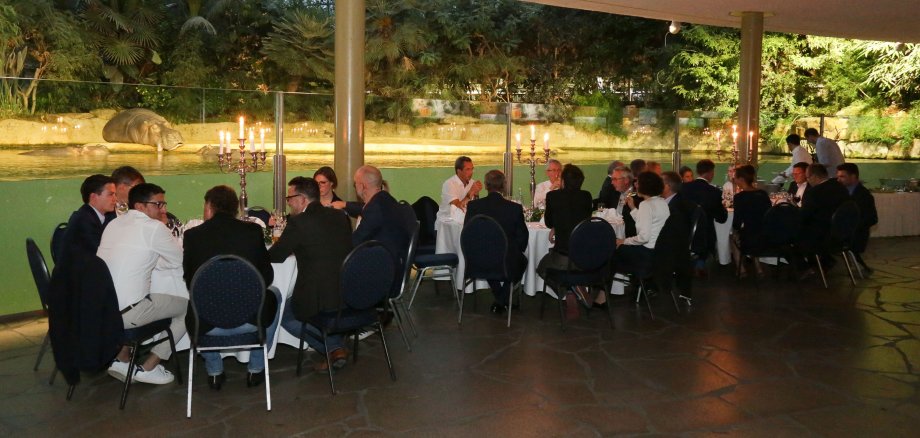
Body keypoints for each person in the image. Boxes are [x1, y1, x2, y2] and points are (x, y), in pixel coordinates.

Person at [182, 185, 279, 390]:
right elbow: (267, 276)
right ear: (235, 208)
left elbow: (191, 281)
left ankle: (214, 371)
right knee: (275, 295)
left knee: (197, 300)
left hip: (207, 323)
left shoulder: (192, 236)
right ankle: (256, 368)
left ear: (209, 206)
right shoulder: (252, 231)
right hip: (251, 319)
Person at [97, 183, 186, 385]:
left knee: (137, 293)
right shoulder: (154, 228)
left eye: (164, 204)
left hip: (102, 310)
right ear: (139, 206)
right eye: (158, 204)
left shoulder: (113, 224)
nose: (163, 209)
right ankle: (148, 367)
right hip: (129, 314)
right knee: (188, 309)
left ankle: (122, 359)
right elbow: (178, 262)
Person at [270, 177, 353, 373]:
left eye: (290, 198)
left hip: (317, 297)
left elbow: (277, 255)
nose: (288, 202)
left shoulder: (299, 222)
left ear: (302, 199)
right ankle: (336, 345)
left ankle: (332, 348)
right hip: (346, 291)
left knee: (283, 313)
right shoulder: (340, 216)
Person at [465, 170, 528, 315]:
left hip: (477, 260)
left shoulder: (474, 207)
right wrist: (516, 251)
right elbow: (522, 238)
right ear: (504, 186)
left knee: (488, 256)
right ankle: (502, 298)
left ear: (486, 186)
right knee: (521, 261)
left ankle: (500, 298)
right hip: (504, 262)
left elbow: (468, 233)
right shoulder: (514, 208)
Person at [537, 164, 594, 304]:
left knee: (541, 267)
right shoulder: (586, 196)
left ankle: (569, 289)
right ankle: (574, 287)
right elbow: (583, 220)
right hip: (585, 255)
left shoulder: (553, 196)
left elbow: (549, 222)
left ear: (562, 181)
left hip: (563, 256)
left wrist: (556, 226)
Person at [351, 165, 413, 290]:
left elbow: (356, 241)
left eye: (355, 184)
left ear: (362, 186)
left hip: (384, 273)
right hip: (395, 264)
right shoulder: (387, 200)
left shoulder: (374, 208)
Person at [611, 171, 670, 275]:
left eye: (637, 183)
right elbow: (646, 221)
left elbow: (643, 238)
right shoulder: (662, 202)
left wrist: (623, 241)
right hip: (660, 253)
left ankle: (603, 286)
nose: (635, 185)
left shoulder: (646, 205)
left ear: (644, 186)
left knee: (609, 250)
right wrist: (633, 208)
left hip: (646, 255)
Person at [799, 163, 850, 276]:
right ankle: (825, 261)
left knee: (790, 236)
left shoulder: (815, 192)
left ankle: (805, 268)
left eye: (807, 178)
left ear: (814, 177)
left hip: (822, 236)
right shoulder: (841, 188)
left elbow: (804, 215)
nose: (807, 181)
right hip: (842, 233)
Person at [680, 159, 728, 276]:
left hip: (683, 231)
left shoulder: (683, 188)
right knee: (709, 228)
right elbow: (721, 218)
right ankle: (701, 263)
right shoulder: (714, 192)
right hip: (705, 235)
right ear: (711, 173)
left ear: (697, 172)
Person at [59, 174, 117, 266]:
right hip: (76, 277)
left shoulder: (106, 216)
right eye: (110, 194)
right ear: (94, 197)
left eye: (115, 194)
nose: (115, 199)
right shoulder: (82, 220)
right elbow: (101, 253)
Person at [729, 165, 772, 278]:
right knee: (753, 231)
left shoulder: (740, 197)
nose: (735, 180)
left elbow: (737, 222)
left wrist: (735, 232)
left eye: (736, 178)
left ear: (741, 179)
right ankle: (758, 268)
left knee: (733, 237)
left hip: (751, 240)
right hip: (767, 237)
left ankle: (741, 270)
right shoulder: (763, 194)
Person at [836, 163, 878, 273]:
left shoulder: (864, 196)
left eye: (842, 176)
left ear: (853, 177)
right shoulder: (839, 192)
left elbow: (872, 218)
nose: (838, 180)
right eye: (838, 176)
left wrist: (850, 228)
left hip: (855, 235)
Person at [437, 156, 483, 225]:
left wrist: (476, 193)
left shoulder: (472, 183)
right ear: (459, 171)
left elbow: (475, 206)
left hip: (465, 221)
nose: (471, 172)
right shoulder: (449, 184)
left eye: (472, 169)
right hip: (447, 223)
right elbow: (457, 208)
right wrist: (470, 193)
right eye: (467, 169)